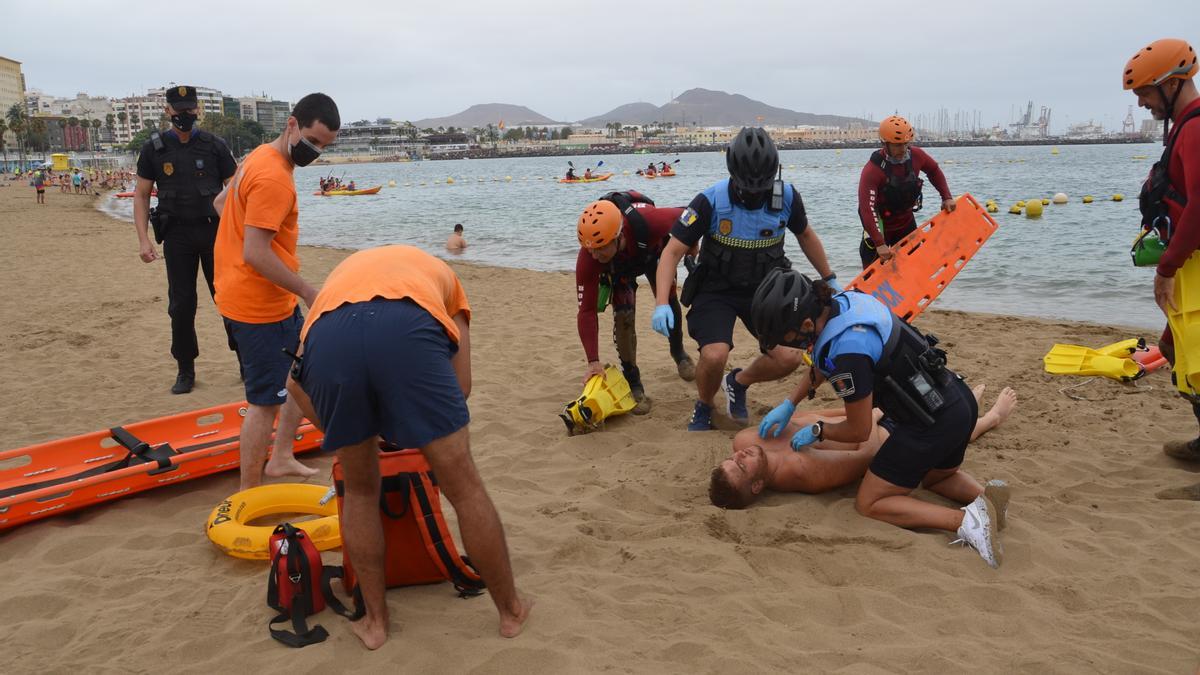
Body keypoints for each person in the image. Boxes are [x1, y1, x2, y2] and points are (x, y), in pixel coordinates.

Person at [286, 244, 533, 650]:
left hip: (330, 338)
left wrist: (351, 429)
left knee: (362, 491)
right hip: (407, 326)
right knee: (464, 488)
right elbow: (462, 387)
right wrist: (408, 429)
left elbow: (295, 384)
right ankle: (510, 611)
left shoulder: (336, 285)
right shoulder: (447, 282)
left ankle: (375, 622)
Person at [748, 268, 1002, 567]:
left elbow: (858, 429)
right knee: (937, 478)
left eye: (786, 337)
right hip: (957, 401)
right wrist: (790, 403)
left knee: (870, 503)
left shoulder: (848, 355)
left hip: (929, 425)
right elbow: (821, 360)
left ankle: (966, 521)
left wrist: (818, 431)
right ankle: (991, 501)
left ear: (805, 323)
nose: (785, 345)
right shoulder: (845, 302)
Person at [651, 127, 839, 431]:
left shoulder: (787, 197)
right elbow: (671, 253)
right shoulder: (709, 201)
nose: (754, 194)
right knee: (714, 355)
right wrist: (661, 303)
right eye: (747, 187)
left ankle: (737, 382)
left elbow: (805, 235)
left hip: (766, 292)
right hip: (715, 290)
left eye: (761, 187)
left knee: (789, 358)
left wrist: (829, 277)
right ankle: (704, 403)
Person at [213, 92, 340, 489]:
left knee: (298, 377)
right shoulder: (274, 178)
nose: (315, 152)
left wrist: (241, 236)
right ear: (291, 124)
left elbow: (221, 203)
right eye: (312, 140)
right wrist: (306, 289)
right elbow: (255, 253)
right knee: (264, 404)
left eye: (323, 146)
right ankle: (249, 493)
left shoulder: (257, 157)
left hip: (244, 294)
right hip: (259, 306)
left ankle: (281, 456)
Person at [710, 386, 1017, 510]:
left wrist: (865, 407)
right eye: (740, 467)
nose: (739, 455)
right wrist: (872, 417)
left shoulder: (746, 442)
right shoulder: (804, 472)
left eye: (730, 459)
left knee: (940, 402)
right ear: (759, 484)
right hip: (885, 437)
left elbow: (810, 417)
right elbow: (866, 457)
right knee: (940, 437)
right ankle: (990, 418)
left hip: (866, 417)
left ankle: (968, 403)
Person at [1121, 39, 1200, 498]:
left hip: (1190, 264)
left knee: (1195, 360)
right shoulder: (1183, 127)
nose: (1141, 102)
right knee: (1179, 352)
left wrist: (1166, 268)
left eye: (1146, 92)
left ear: (1172, 83)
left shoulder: (1194, 130)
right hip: (1189, 263)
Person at [133, 85, 240, 394]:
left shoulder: (214, 145)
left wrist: (239, 234)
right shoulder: (153, 149)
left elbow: (235, 192)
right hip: (177, 235)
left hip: (214, 233)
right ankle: (185, 370)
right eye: (179, 110)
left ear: (198, 110)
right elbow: (141, 196)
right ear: (168, 111)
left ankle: (246, 361)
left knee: (228, 299)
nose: (185, 115)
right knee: (181, 305)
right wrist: (143, 240)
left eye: (190, 110)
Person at [575, 193, 696, 413]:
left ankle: (678, 353)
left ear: (618, 235)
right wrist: (593, 361)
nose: (593, 255)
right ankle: (633, 380)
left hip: (653, 251)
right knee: (623, 317)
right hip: (620, 268)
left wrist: (693, 245)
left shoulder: (649, 220)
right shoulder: (589, 256)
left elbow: (692, 214)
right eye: (589, 248)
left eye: (600, 247)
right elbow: (586, 311)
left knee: (668, 301)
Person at [857, 115, 955, 268]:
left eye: (905, 143)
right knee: (871, 271)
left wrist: (946, 197)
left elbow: (934, 170)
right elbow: (866, 209)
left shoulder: (916, 155)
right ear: (885, 143)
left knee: (915, 266)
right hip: (879, 225)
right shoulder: (872, 170)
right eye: (897, 145)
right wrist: (879, 243)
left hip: (905, 222)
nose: (903, 149)